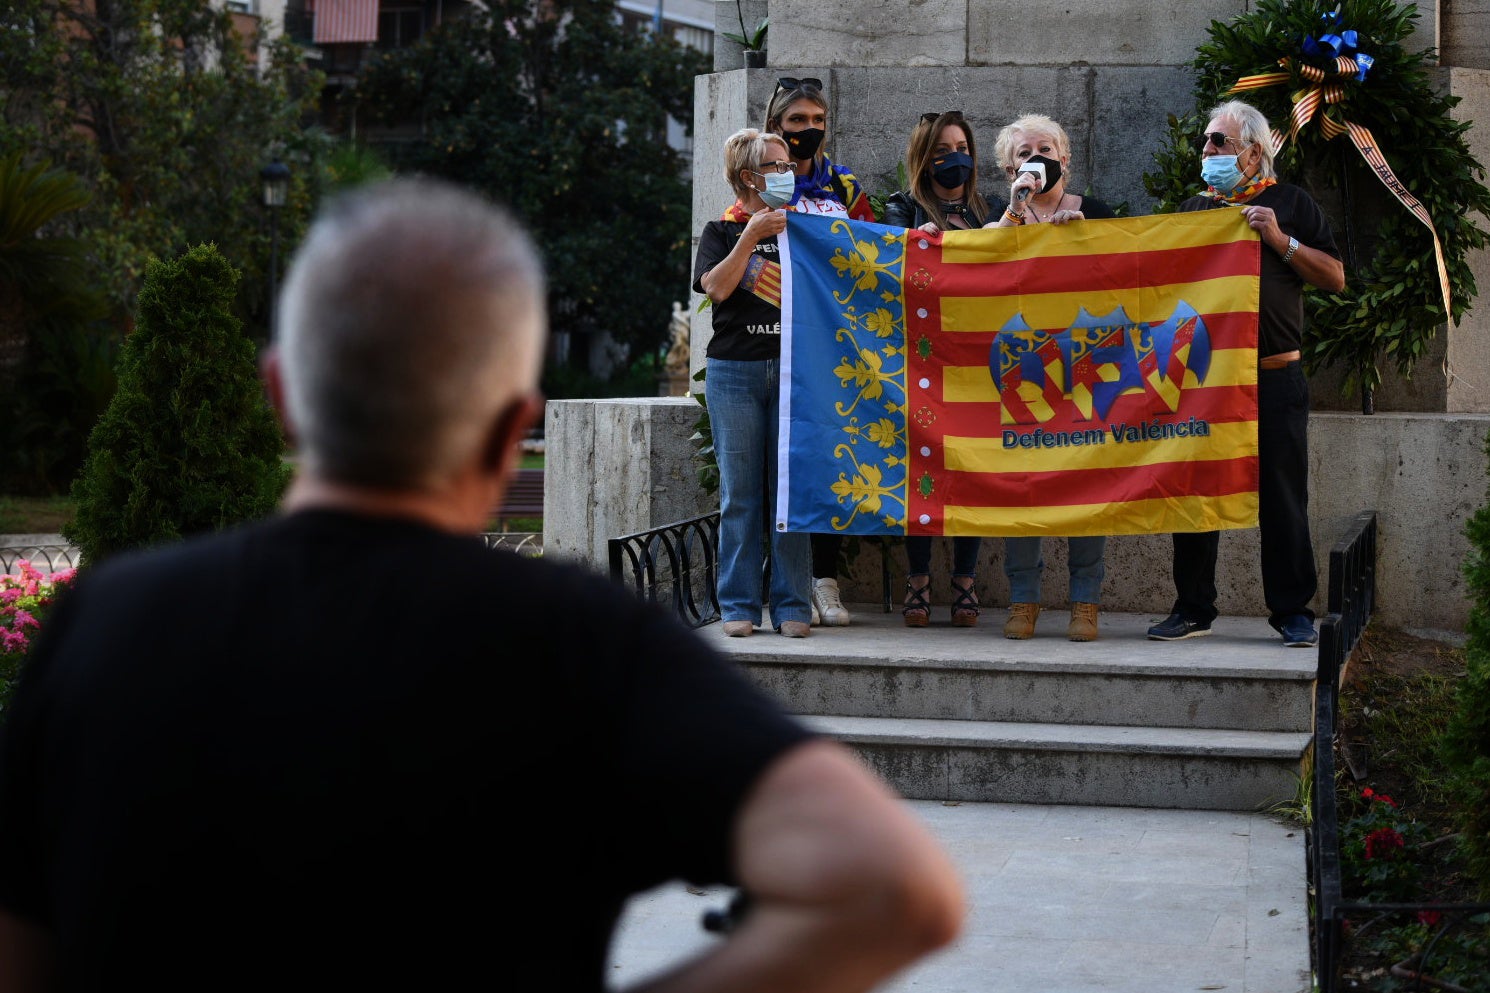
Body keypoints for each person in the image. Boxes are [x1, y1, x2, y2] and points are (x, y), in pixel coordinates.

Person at [0, 179, 966, 991]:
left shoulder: (102, 621)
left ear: (281, 397)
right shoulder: (583, 648)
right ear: (514, 434)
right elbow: (896, 887)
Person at [1147, 99, 1345, 647]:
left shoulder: (1291, 203)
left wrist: (1282, 241)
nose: (1206, 151)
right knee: (1194, 490)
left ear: (1255, 153)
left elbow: (1334, 278)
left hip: (1274, 376)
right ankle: (1192, 607)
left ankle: (1292, 612)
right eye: (1206, 141)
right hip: (1203, 380)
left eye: (1219, 142)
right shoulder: (1193, 209)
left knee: (1283, 496)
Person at [986, 113, 1116, 642]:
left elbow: (1126, 284)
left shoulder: (1096, 212)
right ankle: (1024, 600)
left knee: (1088, 484)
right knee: (1026, 488)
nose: (1034, 157)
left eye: (1045, 148)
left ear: (1065, 159)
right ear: (1008, 167)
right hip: (1026, 371)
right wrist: (1016, 210)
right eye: (1023, 152)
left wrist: (1087, 242)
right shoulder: (1006, 216)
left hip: (1085, 365)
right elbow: (983, 265)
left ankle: (1085, 601)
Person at [763, 75, 875, 628]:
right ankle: (786, 583)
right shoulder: (763, 182)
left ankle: (825, 580)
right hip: (775, 342)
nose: (810, 130)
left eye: (818, 121)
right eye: (797, 121)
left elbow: (874, 249)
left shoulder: (845, 187)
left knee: (833, 457)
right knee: (787, 463)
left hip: (837, 341)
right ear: (776, 126)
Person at [883, 110, 1002, 627]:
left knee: (971, 471)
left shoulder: (990, 208)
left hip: (977, 359)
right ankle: (918, 581)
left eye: (962, 147)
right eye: (941, 150)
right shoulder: (901, 208)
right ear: (922, 158)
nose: (955, 158)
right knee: (923, 473)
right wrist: (914, 240)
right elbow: (881, 260)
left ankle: (966, 582)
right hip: (920, 359)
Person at [695, 128, 812, 639]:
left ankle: (792, 606)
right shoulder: (719, 231)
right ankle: (739, 604)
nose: (788, 174)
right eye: (777, 167)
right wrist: (751, 235)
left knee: (789, 494)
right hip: (734, 374)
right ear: (749, 177)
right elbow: (717, 288)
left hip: (795, 373)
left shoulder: (803, 228)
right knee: (740, 494)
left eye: (788, 166)